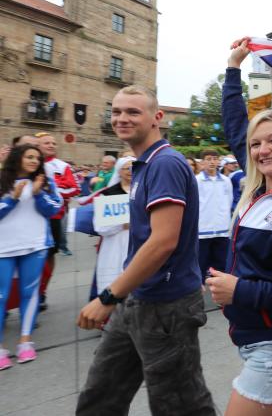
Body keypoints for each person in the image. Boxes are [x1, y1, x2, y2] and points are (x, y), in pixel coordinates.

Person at [76, 85, 215, 415]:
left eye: (133, 112)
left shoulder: (164, 163)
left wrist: (108, 296)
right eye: (116, 112)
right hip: (137, 299)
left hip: (166, 307)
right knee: (100, 396)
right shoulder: (142, 164)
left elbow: (163, 242)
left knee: (180, 406)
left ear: (157, 117)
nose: (122, 118)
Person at [208, 45, 272, 415]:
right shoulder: (254, 190)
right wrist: (232, 68)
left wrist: (241, 291)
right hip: (251, 340)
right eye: (256, 144)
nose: (262, 150)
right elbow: (237, 125)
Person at [0, 144, 62, 370]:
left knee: (29, 293)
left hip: (35, 246)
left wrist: (37, 194)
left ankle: (25, 341)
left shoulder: (44, 181)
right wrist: (12, 199)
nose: (35, 161)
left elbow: (54, 209)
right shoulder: (2, 180)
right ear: (17, 158)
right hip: (3, 248)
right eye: (29, 156)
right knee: (1, 295)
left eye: (37, 158)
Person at [91, 157, 135, 301]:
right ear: (119, 171)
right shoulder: (108, 193)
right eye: (126, 168)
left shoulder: (144, 191)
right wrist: (122, 225)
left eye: (133, 168)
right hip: (115, 245)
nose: (130, 171)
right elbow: (100, 226)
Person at [37, 133, 79, 256]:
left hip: (56, 213)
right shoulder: (30, 163)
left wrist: (52, 192)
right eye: (47, 143)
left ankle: (63, 247)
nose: (51, 146)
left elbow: (75, 188)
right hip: (33, 213)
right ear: (38, 146)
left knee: (52, 250)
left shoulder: (63, 166)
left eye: (54, 143)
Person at [196, 149, 233, 277]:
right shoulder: (197, 180)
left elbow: (229, 201)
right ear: (202, 163)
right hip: (203, 229)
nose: (212, 162)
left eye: (214, 159)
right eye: (208, 159)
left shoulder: (226, 180)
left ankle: (219, 291)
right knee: (201, 262)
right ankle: (199, 290)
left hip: (222, 229)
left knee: (220, 263)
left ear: (218, 161)